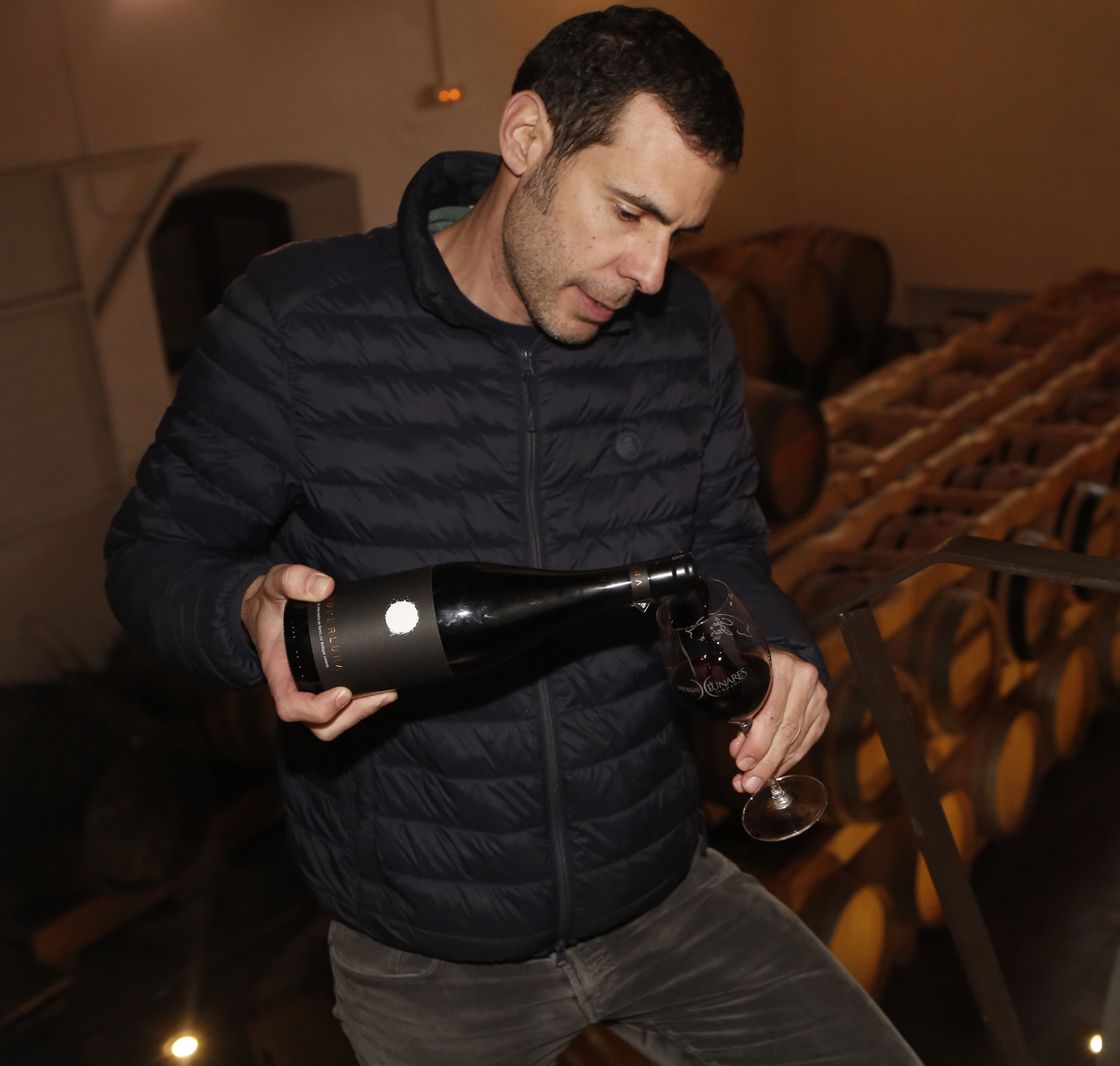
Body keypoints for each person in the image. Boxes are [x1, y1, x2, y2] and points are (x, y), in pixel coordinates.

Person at [104, 6, 921, 1064]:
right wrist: (244, 609)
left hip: (660, 886)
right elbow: (149, 557)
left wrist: (781, 646)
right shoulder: (300, 323)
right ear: (527, 139)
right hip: (426, 953)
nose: (653, 271)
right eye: (628, 211)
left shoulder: (682, 336)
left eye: (679, 231)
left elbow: (721, 536)